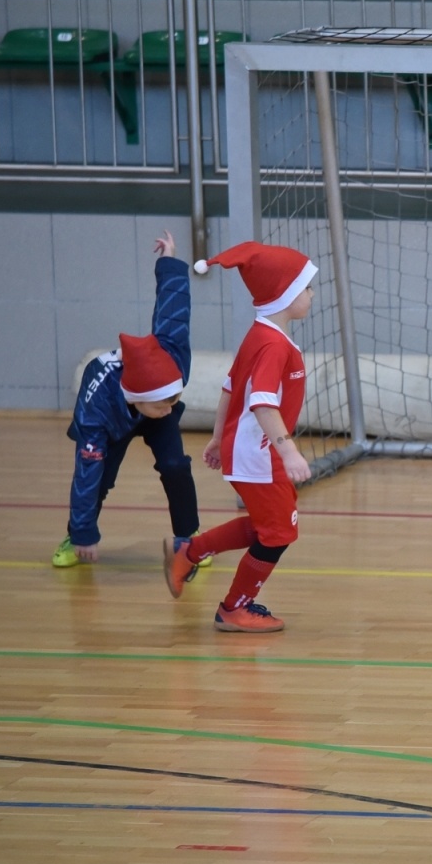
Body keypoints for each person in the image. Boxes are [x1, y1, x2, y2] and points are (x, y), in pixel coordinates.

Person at [164, 241, 316, 633]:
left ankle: (190, 551)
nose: (312, 293)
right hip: (260, 456)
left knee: (271, 526)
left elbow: (230, 389)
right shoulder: (271, 345)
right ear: (284, 294)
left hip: (250, 452)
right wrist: (289, 452)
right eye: (306, 286)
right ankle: (233, 608)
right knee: (280, 532)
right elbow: (262, 404)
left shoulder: (262, 335)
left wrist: (218, 438)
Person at [53, 231, 207, 572]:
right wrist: (83, 533)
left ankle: (189, 537)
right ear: (139, 399)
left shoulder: (172, 358)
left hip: (137, 405)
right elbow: (85, 473)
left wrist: (168, 260)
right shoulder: (96, 412)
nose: (170, 409)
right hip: (112, 419)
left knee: (175, 466)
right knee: (100, 476)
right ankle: (75, 535)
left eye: (175, 400)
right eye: (162, 405)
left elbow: (174, 308)